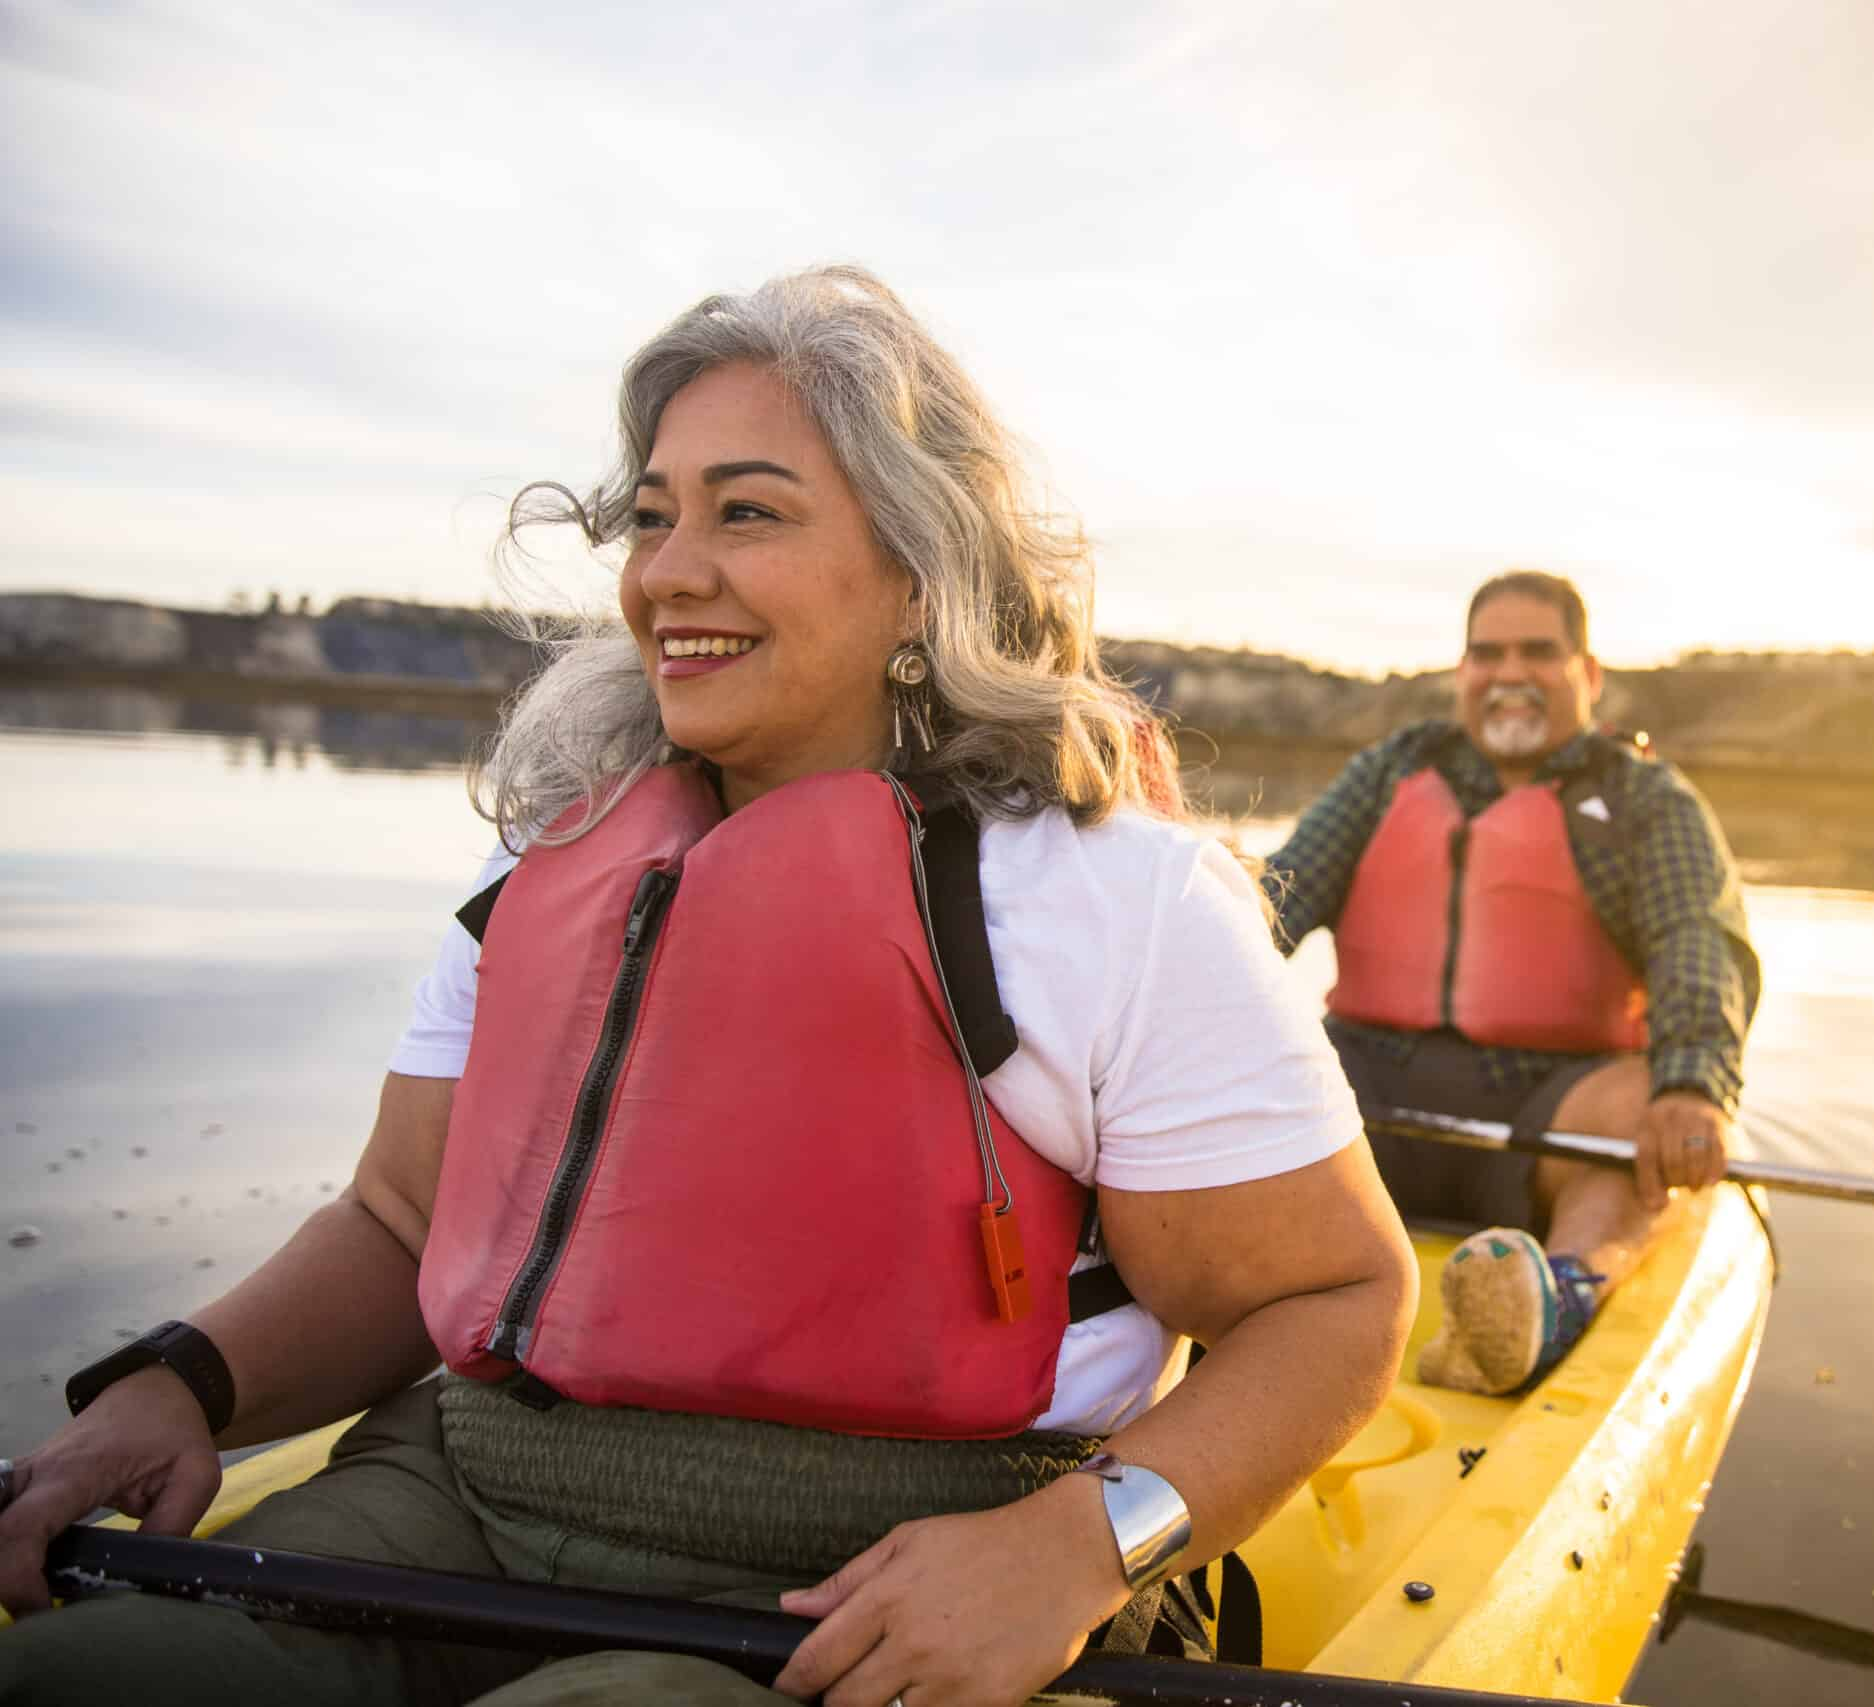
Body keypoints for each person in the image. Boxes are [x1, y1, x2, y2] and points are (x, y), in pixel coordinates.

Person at [0, 266, 1417, 1707]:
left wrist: (1077, 1546)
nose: (666, 571)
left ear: (921, 568)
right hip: (461, 1505)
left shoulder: (1114, 897)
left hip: (875, 1579)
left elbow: (1335, 1298)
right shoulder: (552, 863)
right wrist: (184, 1380)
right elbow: (399, 1218)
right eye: (653, 515)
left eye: (747, 511)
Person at [1259, 570, 1757, 1396]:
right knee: (1242, 1061)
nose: (1510, 673)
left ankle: (1557, 1292)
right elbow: (1278, 900)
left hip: (1547, 1109)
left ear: (1587, 675)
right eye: (1487, 654)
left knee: (1640, 1108)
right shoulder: (1392, 771)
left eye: (1539, 651)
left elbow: (1695, 935)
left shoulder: (1643, 800)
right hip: (1365, 1097)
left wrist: (1695, 1083)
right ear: (1463, 673)